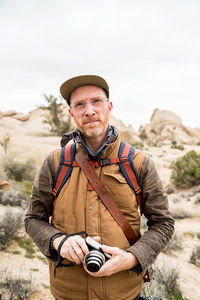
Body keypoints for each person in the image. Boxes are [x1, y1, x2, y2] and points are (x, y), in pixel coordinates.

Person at [25, 75, 174, 300]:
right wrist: (59, 241)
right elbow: (33, 219)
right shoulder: (55, 163)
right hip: (68, 293)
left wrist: (133, 257)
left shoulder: (138, 162)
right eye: (80, 105)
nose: (89, 111)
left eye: (96, 101)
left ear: (109, 107)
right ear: (71, 113)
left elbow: (163, 223)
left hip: (124, 293)